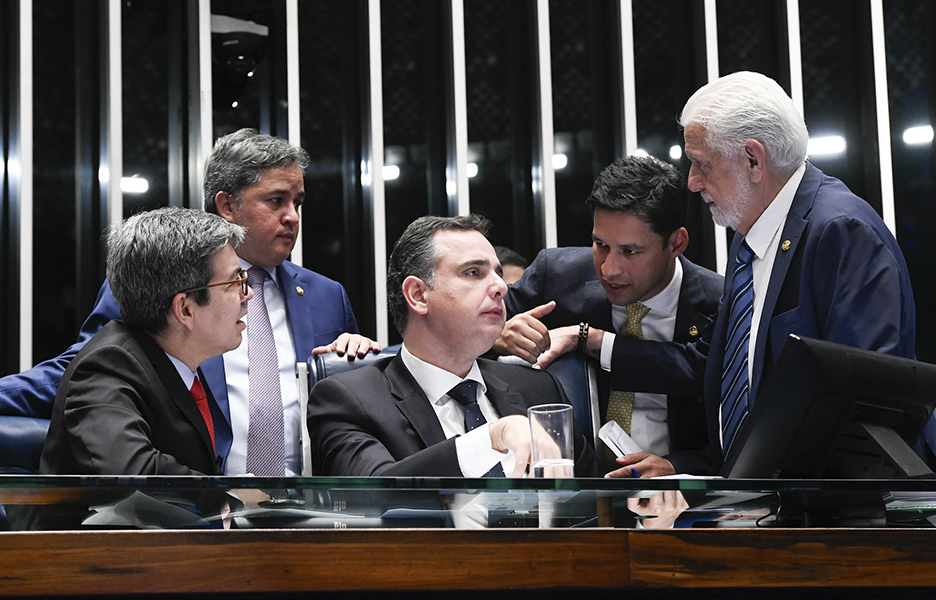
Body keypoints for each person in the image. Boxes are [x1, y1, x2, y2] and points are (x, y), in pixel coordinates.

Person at [0, 129, 378, 477]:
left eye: (298, 202)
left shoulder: (328, 295)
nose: (292, 217)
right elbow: (87, 373)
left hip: (311, 508)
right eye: (276, 200)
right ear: (227, 206)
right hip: (195, 509)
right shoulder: (158, 279)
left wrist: (358, 365)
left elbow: (353, 414)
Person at [606, 71, 916, 477]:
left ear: (754, 159)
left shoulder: (841, 231)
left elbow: (865, 414)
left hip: (826, 522)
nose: (692, 182)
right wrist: (683, 468)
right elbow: (741, 389)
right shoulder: (751, 231)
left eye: (701, 163)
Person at [307, 214, 597, 477]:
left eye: (497, 273)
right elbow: (375, 492)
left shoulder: (539, 389)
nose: (501, 287)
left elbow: (594, 503)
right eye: (474, 272)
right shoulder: (348, 400)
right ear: (418, 295)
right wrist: (490, 438)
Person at [495, 156, 722, 470]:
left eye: (630, 251)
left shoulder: (719, 302)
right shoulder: (558, 276)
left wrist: (676, 467)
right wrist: (498, 334)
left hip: (680, 502)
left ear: (675, 243)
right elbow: (469, 327)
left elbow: (737, 427)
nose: (609, 269)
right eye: (600, 244)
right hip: (573, 494)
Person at [41, 208, 249, 475]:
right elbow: (131, 472)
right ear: (184, 309)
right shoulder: (107, 366)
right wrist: (227, 494)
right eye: (235, 282)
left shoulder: (179, 362)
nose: (249, 294)